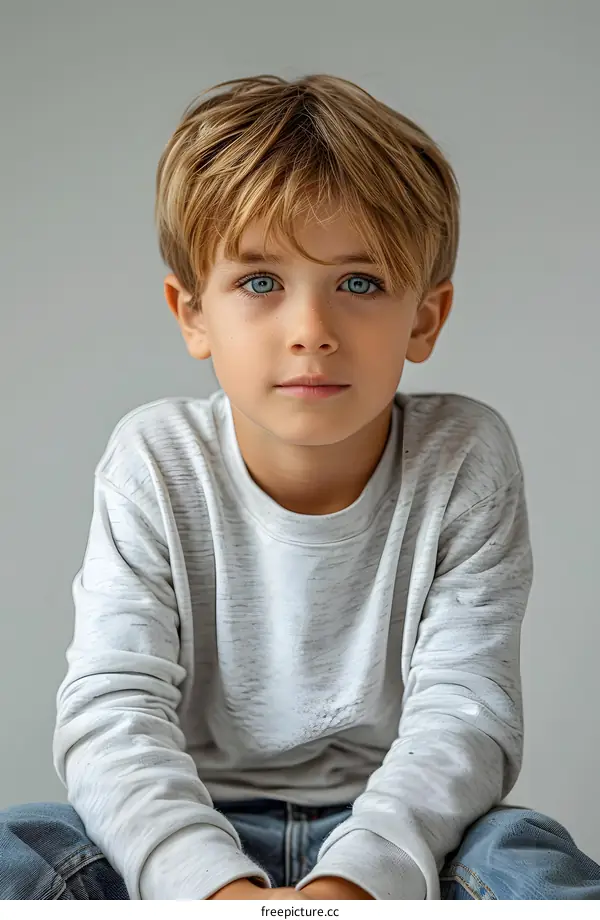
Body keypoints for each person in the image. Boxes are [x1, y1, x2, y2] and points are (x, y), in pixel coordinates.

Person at [1, 73, 599, 902]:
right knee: (17, 851)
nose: (311, 331)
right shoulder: (154, 457)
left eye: (359, 284)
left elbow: (466, 714)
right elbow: (112, 709)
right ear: (192, 313)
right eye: (259, 283)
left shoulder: (465, 455)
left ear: (424, 319)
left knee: (533, 861)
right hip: (194, 818)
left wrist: (356, 880)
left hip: (404, 830)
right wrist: (209, 886)